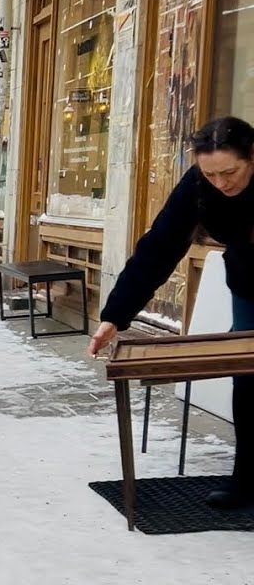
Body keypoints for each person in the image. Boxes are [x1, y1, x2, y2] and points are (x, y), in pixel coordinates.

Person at [88, 116, 254, 510]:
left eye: (230, 171)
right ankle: (247, 480)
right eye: (211, 173)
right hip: (250, 285)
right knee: (248, 378)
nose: (221, 183)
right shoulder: (198, 186)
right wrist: (116, 315)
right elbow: (159, 247)